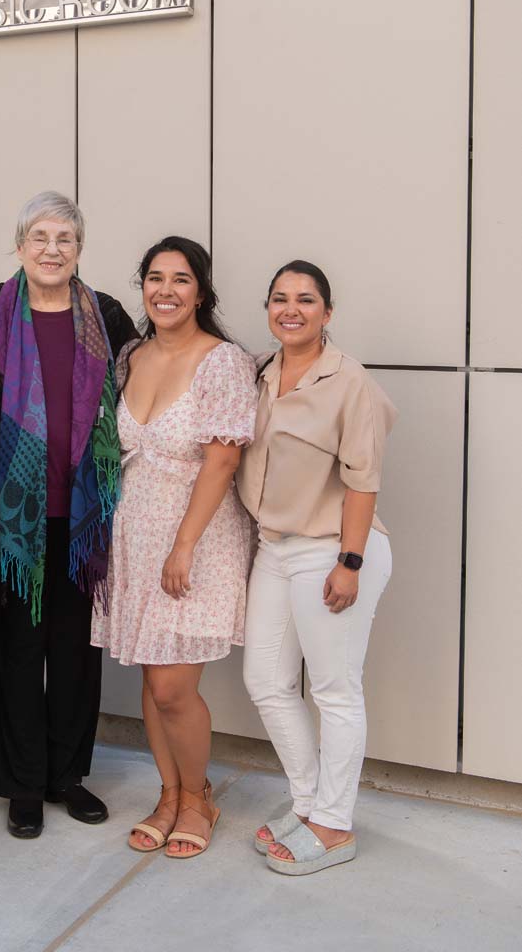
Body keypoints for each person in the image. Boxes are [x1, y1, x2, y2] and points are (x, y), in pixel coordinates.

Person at [0, 191, 136, 839]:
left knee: (73, 654)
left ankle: (67, 776)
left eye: (64, 238)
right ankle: (22, 784)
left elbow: (145, 388)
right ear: (19, 245)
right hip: (11, 521)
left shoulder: (106, 315)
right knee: (12, 651)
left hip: (83, 517)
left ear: (80, 249)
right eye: (40, 236)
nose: (52, 249)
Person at [92, 236, 257, 860]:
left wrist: (183, 545)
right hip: (134, 532)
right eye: (155, 278)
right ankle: (169, 793)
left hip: (197, 536)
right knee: (149, 669)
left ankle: (198, 798)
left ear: (202, 292)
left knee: (172, 689)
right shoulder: (129, 355)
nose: (166, 290)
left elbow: (222, 461)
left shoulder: (223, 362)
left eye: (181, 279)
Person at [237, 260, 397, 876]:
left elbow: (364, 480)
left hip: (333, 546)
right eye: (279, 298)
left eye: (306, 299)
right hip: (274, 547)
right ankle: (308, 803)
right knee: (266, 681)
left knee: (334, 690)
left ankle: (334, 824)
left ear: (327, 312)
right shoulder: (261, 372)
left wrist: (349, 562)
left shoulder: (349, 381)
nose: (291, 309)